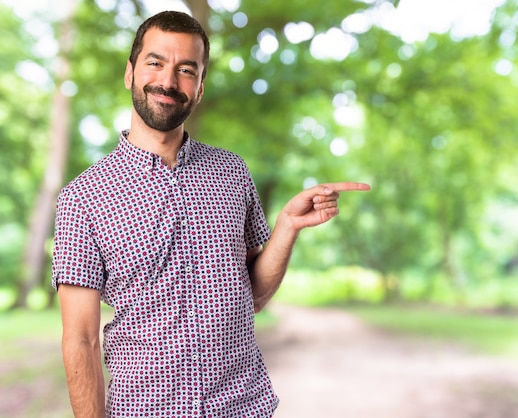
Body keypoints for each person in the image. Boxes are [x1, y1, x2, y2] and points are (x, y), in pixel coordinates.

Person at [51, 10, 369, 418]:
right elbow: (80, 339)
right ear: (129, 72)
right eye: (155, 63)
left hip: (243, 407)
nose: (168, 81)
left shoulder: (232, 173)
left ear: (199, 88)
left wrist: (286, 227)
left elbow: (252, 295)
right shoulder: (83, 197)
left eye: (186, 70)